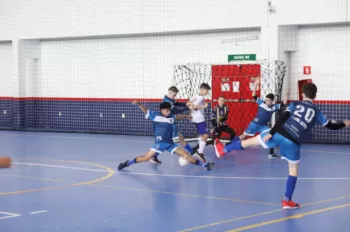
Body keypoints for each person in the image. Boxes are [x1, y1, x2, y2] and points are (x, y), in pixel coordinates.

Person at [214, 83, 350, 209]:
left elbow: (282, 119)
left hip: (280, 132)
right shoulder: (317, 112)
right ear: (315, 96)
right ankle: (287, 200)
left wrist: (271, 132)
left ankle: (224, 150)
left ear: (302, 94)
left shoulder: (295, 104)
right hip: (294, 140)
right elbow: (331, 126)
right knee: (293, 169)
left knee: (250, 141)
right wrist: (344, 123)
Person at [118, 101, 214, 170]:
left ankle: (204, 165)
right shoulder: (155, 115)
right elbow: (145, 110)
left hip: (170, 144)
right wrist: (139, 104)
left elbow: (177, 117)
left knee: (187, 156)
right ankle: (127, 163)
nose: (169, 112)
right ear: (162, 110)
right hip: (159, 144)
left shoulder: (171, 117)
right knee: (145, 158)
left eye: (169, 110)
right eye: (167, 110)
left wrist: (185, 116)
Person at [239, 77, 286, 159]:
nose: (267, 101)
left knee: (271, 135)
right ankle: (231, 144)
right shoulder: (261, 103)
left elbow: (283, 105)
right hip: (254, 124)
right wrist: (256, 84)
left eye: (269, 100)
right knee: (243, 136)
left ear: (272, 101)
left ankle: (271, 153)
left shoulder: (274, 107)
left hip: (263, 126)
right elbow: (253, 95)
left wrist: (285, 98)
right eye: (266, 99)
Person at [150, 86, 193, 164]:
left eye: (175, 95)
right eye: (173, 95)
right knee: (179, 139)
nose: (174, 97)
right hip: (168, 122)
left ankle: (154, 156)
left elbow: (177, 103)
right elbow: (175, 111)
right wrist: (187, 108)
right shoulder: (166, 102)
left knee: (170, 141)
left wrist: (186, 104)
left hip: (169, 121)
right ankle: (192, 153)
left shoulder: (170, 100)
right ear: (169, 92)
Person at [186, 83, 211, 162]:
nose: (207, 93)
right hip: (199, 119)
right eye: (207, 91)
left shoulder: (194, 96)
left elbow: (188, 104)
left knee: (201, 135)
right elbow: (193, 106)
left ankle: (199, 150)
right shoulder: (200, 98)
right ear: (202, 90)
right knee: (206, 134)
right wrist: (204, 106)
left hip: (194, 118)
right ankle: (200, 152)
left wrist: (189, 114)